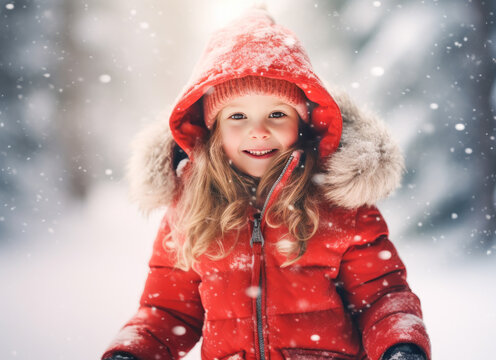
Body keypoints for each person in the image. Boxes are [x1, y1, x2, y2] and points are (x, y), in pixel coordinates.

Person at [102, 6, 431, 360]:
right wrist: (134, 350)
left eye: (276, 114)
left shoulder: (338, 203)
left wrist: (400, 344)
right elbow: (168, 311)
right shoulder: (191, 208)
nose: (258, 131)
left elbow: (382, 297)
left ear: (303, 122)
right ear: (213, 130)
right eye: (237, 116)